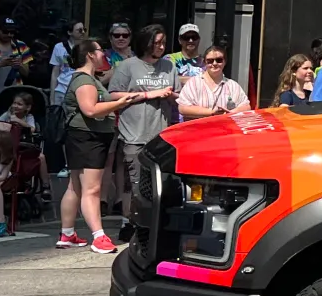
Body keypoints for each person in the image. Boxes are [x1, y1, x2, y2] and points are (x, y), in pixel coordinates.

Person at [57, 37, 138, 252]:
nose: (105, 54)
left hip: (82, 137)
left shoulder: (87, 79)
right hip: (88, 138)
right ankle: (99, 237)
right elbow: (90, 110)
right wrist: (118, 104)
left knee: (75, 186)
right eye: (101, 50)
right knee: (92, 189)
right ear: (90, 55)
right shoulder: (84, 80)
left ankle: (67, 234)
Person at [108, 24, 177, 224]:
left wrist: (171, 95)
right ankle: (129, 222)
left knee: (158, 185)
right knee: (135, 183)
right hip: (134, 135)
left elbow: (178, 97)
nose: (161, 47)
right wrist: (148, 94)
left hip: (160, 136)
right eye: (157, 43)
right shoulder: (128, 65)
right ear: (146, 43)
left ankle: (152, 223)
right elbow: (113, 95)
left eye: (163, 42)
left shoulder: (169, 66)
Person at [178, 45, 249, 118]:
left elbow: (246, 106)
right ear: (204, 63)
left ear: (225, 62)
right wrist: (210, 112)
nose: (214, 63)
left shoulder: (233, 86)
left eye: (219, 60)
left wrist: (230, 113)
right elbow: (183, 108)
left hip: (224, 127)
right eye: (210, 61)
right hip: (199, 128)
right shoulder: (193, 83)